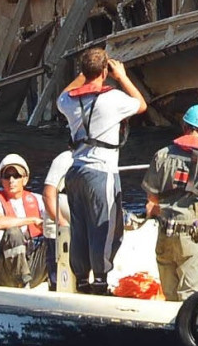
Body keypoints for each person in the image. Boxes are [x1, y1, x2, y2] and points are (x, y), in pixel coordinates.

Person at [56, 48, 147, 295]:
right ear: (105, 71)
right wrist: (122, 76)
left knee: (79, 227)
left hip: (75, 171)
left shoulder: (69, 101)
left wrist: (83, 75)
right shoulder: (113, 98)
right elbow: (141, 105)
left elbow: (62, 95)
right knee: (105, 227)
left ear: (84, 72)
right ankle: (100, 282)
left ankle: (81, 280)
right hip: (101, 171)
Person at [142, 105, 198, 302]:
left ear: (184, 126)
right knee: (191, 298)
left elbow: (152, 200)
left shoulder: (162, 155)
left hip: (165, 233)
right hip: (193, 236)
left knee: (170, 294)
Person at [0, 154, 48, 287]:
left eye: (16, 176)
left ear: (25, 179)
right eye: (7, 176)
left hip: (30, 265)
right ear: (1, 180)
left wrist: (48, 225)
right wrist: (32, 220)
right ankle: (22, 284)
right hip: (0, 272)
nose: (11, 180)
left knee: (58, 235)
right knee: (13, 233)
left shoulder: (37, 200)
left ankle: (67, 279)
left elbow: (58, 220)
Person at [41, 149, 74, 290]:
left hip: (82, 227)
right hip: (59, 229)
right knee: (59, 274)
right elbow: (48, 195)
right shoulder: (64, 158)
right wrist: (61, 222)